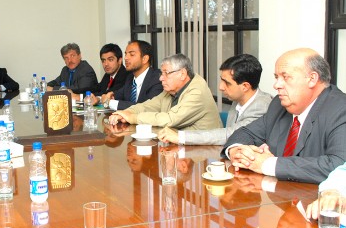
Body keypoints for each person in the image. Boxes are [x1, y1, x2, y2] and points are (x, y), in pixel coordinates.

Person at [222, 48, 346, 184]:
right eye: (277, 77)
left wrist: (267, 164)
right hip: (278, 197)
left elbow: (339, 165)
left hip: (317, 201)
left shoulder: (340, 109)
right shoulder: (279, 105)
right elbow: (245, 132)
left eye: (285, 77)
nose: (276, 85)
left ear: (312, 79)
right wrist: (236, 151)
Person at [158, 54, 272, 145]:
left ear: (245, 86)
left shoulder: (261, 106)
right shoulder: (237, 99)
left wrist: (180, 137)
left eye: (227, 83)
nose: (221, 87)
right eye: (221, 80)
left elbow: (231, 135)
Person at [108, 53, 222, 130]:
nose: (161, 78)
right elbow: (147, 106)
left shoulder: (197, 91)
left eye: (166, 73)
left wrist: (133, 118)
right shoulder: (172, 90)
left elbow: (170, 119)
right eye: (161, 73)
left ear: (182, 74)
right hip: (180, 146)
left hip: (204, 153)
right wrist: (125, 113)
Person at [100, 40, 163, 110]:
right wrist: (108, 97)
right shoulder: (130, 78)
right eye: (126, 54)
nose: (126, 58)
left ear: (145, 59)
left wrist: (112, 103)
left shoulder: (158, 78)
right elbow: (115, 95)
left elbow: (147, 107)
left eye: (131, 54)